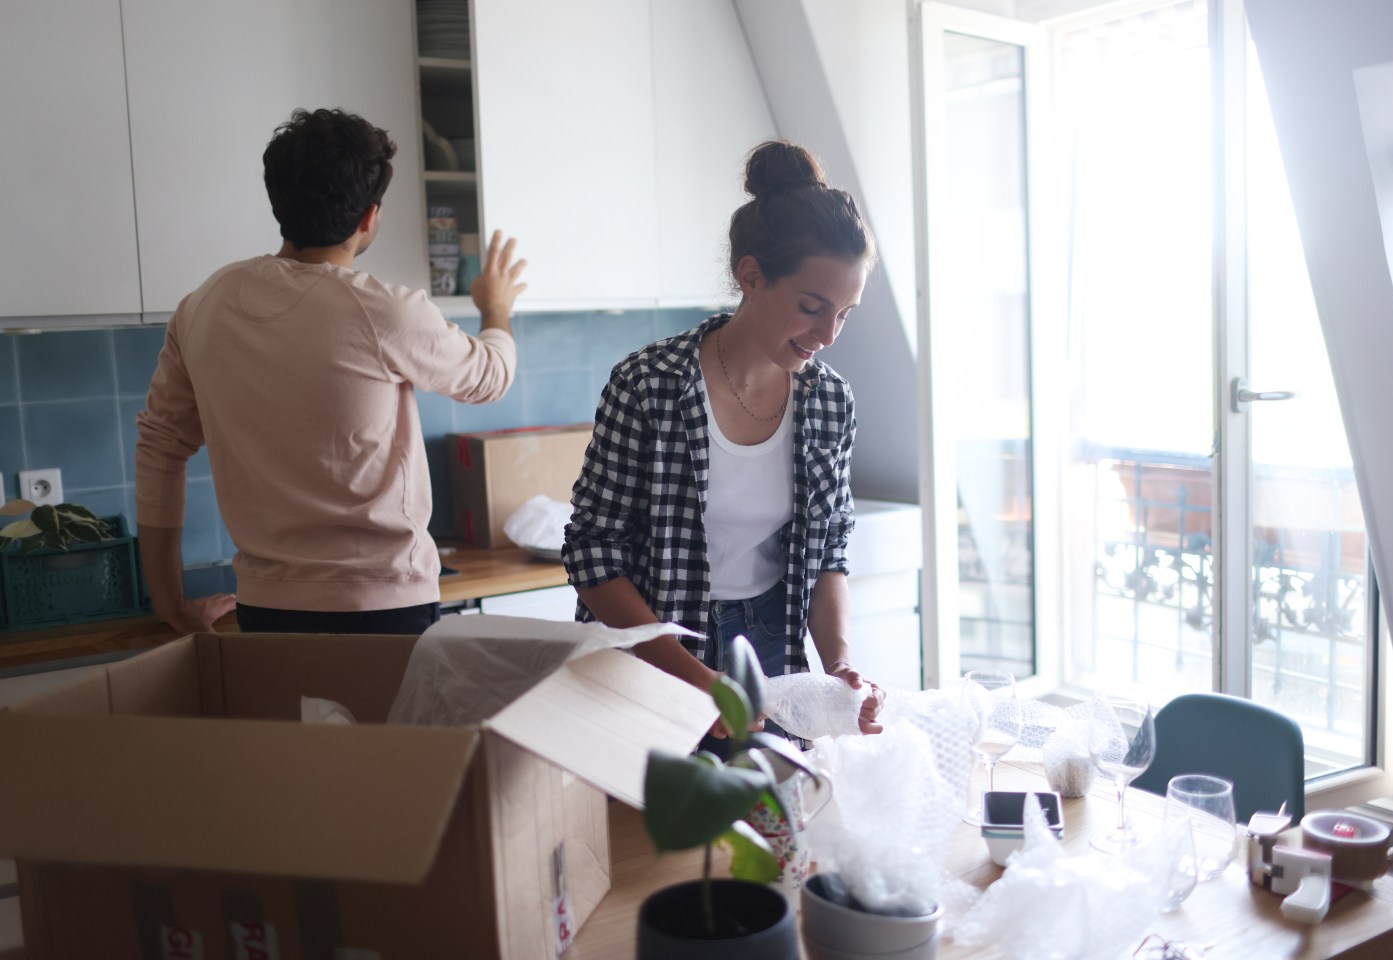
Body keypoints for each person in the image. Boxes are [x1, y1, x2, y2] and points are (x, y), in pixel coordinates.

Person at [135, 107, 527, 637]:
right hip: (385, 605)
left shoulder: (205, 304)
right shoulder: (386, 310)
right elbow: (490, 376)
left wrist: (172, 605)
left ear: (278, 201)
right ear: (369, 216)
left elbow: (160, 447)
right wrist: (494, 307)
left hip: (267, 609)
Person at [564, 140, 884, 735]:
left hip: (769, 643)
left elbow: (828, 551)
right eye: (812, 307)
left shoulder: (829, 401)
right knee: (660, 825)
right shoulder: (650, 385)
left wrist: (839, 665)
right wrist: (695, 678)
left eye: (844, 312)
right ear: (751, 276)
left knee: (773, 821)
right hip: (654, 646)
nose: (829, 333)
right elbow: (594, 553)